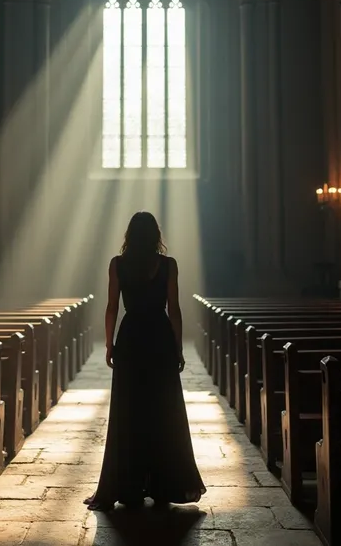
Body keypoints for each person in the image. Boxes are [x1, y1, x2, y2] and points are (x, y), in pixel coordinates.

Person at [84, 211, 206, 511]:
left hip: (132, 338)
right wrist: (177, 347)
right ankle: (165, 484)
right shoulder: (168, 265)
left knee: (129, 412)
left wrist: (110, 344)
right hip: (159, 338)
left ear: (130, 235)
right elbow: (174, 309)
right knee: (163, 409)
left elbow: (112, 307)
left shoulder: (118, 264)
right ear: (155, 236)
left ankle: (129, 485)